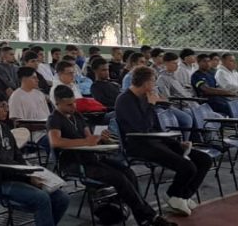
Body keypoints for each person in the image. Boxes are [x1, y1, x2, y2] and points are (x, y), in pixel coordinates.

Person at [47, 86, 174, 226]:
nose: (73, 107)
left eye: (74, 103)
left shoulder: (77, 115)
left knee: (129, 172)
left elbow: (89, 137)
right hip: (74, 163)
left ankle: (144, 217)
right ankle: (149, 217)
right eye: (69, 105)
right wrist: (86, 142)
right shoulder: (54, 119)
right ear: (57, 103)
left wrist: (100, 138)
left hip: (90, 157)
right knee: (119, 178)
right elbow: (55, 142)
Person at [114, 67, 211, 217]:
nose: (154, 85)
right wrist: (152, 104)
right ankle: (174, 195)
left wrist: (174, 142)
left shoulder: (146, 96)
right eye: (153, 81)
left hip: (157, 140)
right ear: (146, 83)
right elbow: (141, 128)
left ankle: (182, 196)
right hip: (139, 144)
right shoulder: (124, 100)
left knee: (204, 160)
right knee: (188, 166)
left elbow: (154, 125)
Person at [0, 90, 70, 226]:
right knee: (41, 198)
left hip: (16, 176)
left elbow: (17, 155)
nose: (7, 110)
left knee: (62, 198)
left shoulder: (3, 127)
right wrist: (27, 178)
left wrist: (30, 173)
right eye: (3, 106)